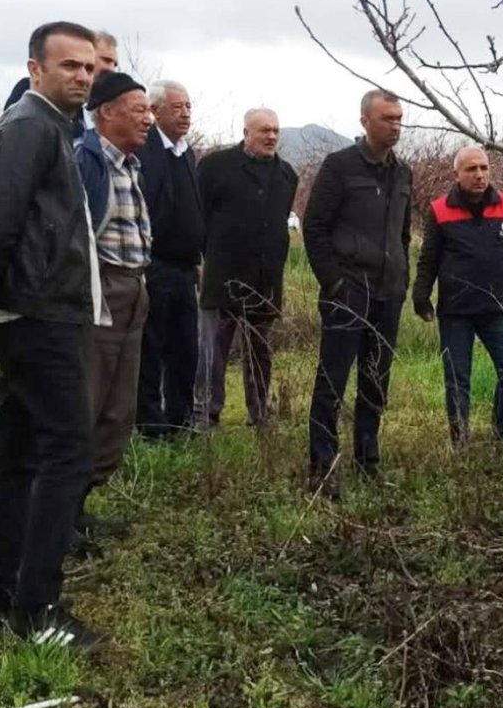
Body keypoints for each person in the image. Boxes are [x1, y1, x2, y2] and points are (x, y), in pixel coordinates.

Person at [0, 22, 105, 649]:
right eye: (70, 66)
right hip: (37, 314)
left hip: (41, 310)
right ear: (36, 69)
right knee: (68, 452)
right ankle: (39, 611)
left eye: (88, 68)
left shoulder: (56, 132)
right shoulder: (29, 128)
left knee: (19, 452)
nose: (83, 77)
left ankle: (11, 587)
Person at [303, 90, 412, 497]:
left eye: (400, 119)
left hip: (388, 293)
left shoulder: (403, 173)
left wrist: (403, 277)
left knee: (375, 382)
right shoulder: (339, 167)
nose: (396, 126)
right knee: (333, 380)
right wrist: (334, 283)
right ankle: (323, 468)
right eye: (387, 118)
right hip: (348, 292)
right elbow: (314, 230)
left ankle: (368, 462)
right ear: (365, 120)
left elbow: (402, 234)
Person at [74, 71, 154, 539]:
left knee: (117, 411)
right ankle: (55, 522)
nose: (148, 119)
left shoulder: (130, 164)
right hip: (99, 295)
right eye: (138, 109)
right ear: (106, 112)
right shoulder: (85, 161)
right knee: (86, 404)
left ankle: (77, 510)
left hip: (133, 292)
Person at [413, 147, 503, 445]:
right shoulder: (440, 210)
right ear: (456, 174)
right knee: (457, 380)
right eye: (471, 169)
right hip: (456, 312)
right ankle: (460, 440)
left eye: (483, 168)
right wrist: (421, 296)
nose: (479, 174)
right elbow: (428, 259)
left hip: (498, 309)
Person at [192, 108, 296, 430]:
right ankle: (205, 415)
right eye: (264, 130)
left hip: (265, 279)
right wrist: (202, 258)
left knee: (259, 352)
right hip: (222, 275)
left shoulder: (286, 175)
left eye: (276, 130)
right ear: (246, 132)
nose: (272, 136)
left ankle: (260, 413)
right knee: (212, 351)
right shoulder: (214, 167)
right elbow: (199, 218)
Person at [136, 80, 202, 439]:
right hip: (154, 265)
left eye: (189, 106)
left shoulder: (186, 152)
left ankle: (181, 418)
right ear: (156, 110)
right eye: (177, 107)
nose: (186, 113)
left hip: (185, 269)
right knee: (152, 349)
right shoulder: (145, 149)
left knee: (185, 349)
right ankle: (150, 425)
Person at [4, 30, 117, 120]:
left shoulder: (99, 104)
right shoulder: (30, 91)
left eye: (115, 64)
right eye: (106, 60)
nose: (111, 69)